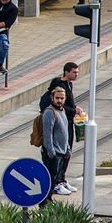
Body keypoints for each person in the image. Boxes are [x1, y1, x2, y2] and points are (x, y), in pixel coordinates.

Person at [38, 62, 83, 194]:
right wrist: (75, 110)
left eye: (77, 72)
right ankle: (56, 183)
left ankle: (61, 179)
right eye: (74, 72)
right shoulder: (59, 86)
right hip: (61, 122)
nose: (76, 75)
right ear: (66, 72)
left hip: (67, 121)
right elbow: (62, 107)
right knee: (57, 156)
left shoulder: (69, 84)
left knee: (66, 151)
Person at [40, 87, 70, 206]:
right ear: (52, 98)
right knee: (49, 179)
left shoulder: (62, 111)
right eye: (57, 98)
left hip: (62, 153)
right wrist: (51, 152)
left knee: (54, 179)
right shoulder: (49, 112)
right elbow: (47, 134)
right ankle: (44, 202)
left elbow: (65, 132)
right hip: (53, 154)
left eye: (62, 98)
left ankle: (49, 198)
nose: (59, 100)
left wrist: (67, 149)